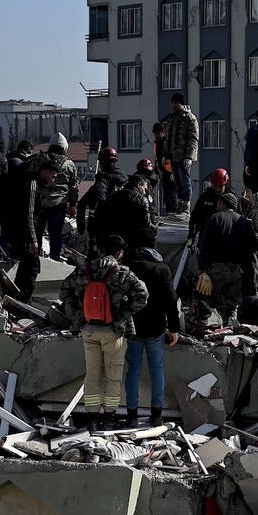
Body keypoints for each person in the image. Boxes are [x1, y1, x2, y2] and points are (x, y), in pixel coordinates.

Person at [60, 234, 149, 427]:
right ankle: (109, 418)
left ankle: (92, 417)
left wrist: (79, 312)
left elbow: (64, 290)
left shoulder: (84, 269)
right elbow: (142, 296)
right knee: (113, 376)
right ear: (119, 253)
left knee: (92, 374)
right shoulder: (122, 272)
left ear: (99, 250)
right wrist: (121, 315)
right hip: (113, 331)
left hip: (88, 328)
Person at [123, 241, 179, 425]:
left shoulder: (127, 269)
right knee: (156, 370)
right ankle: (156, 415)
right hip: (156, 327)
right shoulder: (162, 270)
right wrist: (174, 328)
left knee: (133, 370)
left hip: (133, 328)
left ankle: (131, 416)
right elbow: (171, 300)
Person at [193, 194, 258, 329]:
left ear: (223, 204)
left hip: (216, 269)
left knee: (203, 299)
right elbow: (255, 246)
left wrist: (202, 269)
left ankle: (201, 328)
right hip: (237, 271)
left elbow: (205, 246)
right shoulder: (243, 221)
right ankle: (229, 330)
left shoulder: (215, 219)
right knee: (231, 306)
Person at [0, 141, 41, 299]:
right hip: (22, 228)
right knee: (31, 265)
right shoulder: (29, 180)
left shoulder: (8, 161)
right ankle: (24, 298)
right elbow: (30, 213)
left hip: (6, 210)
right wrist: (33, 239)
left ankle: (17, 294)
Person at [93, 167, 157, 257]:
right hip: (134, 239)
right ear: (139, 185)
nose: (146, 190)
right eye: (145, 187)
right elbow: (146, 223)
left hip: (114, 238)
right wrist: (155, 228)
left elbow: (101, 218)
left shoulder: (112, 196)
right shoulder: (142, 200)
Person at [36, 136, 78, 260]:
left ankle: (36, 258)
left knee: (37, 232)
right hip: (59, 204)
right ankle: (54, 258)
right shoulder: (69, 164)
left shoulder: (39, 160)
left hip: (40, 203)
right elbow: (74, 187)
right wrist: (72, 205)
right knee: (56, 233)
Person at [76, 145, 121, 250]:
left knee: (96, 256)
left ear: (102, 163)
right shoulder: (124, 181)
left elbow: (82, 204)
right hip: (118, 227)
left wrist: (81, 227)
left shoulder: (99, 184)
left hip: (99, 228)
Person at [161, 94, 200, 212]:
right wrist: (165, 154)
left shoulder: (189, 118)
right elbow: (168, 138)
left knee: (185, 182)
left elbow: (193, 138)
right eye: (172, 103)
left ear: (181, 103)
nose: (173, 105)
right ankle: (179, 207)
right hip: (173, 156)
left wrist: (189, 157)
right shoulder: (171, 118)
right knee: (177, 183)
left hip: (183, 157)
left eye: (176, 103)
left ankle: (185, 208)